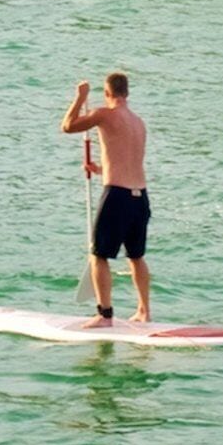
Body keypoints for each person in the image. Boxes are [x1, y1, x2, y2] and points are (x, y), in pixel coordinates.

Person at [62, 73, 152, 324]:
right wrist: (100, 169)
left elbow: (68, 126)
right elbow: (129, 159)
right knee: (136, 256)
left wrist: (80, 98)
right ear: (127, 93)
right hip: (140, 196)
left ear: (107, 93)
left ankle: (105, 315)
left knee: (98, 255)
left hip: (118, 197)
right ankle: (144, 311)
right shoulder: (138, 122)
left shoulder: (105, 114)